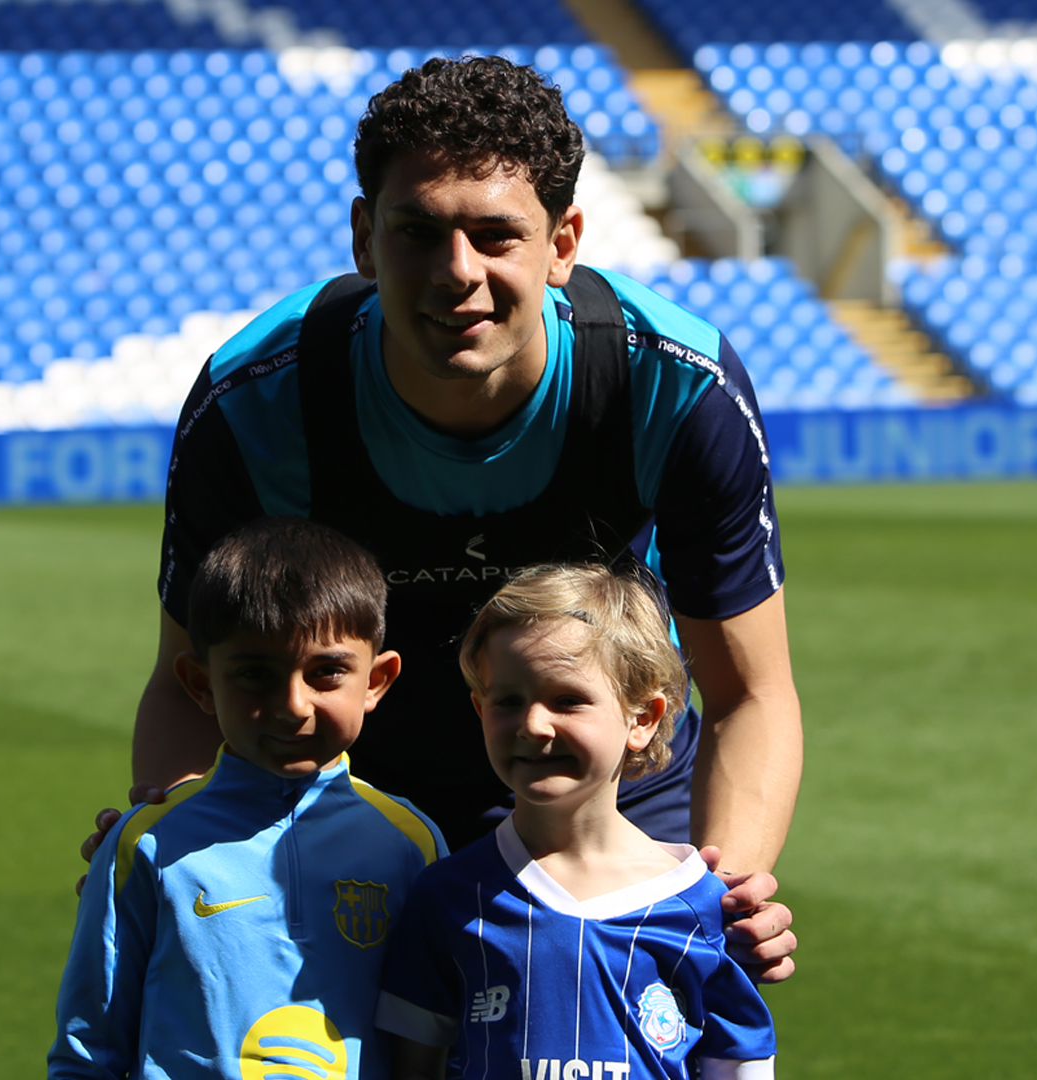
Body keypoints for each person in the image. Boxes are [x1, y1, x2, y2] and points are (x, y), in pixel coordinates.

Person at [89, 55, 800, 979]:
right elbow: (192, 679)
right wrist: (174, 843)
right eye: (417, 232)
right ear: (362, 236)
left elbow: (750, 693)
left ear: (564, 240)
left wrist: (718, 895)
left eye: (496, 236)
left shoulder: (672, 385)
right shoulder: (258, 399)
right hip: (355, 803)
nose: (454, 274)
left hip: (608, 788)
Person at [50, 516, 446, 1080]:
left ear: (377, 681)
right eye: (256, 675)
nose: (293, 705)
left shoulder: (411, 843)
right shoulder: (146, 842)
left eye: (327, 673)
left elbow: (436, 1039)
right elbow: (90, 1048)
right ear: (201, 685)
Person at [376, 564, 776, 1080]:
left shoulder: (701, 907)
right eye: (508, 701)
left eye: (567, 700)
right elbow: (412, 1065)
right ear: (480, 710)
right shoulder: (446, 896)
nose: (533, 724)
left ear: (643, 718)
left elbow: (736, 1062)